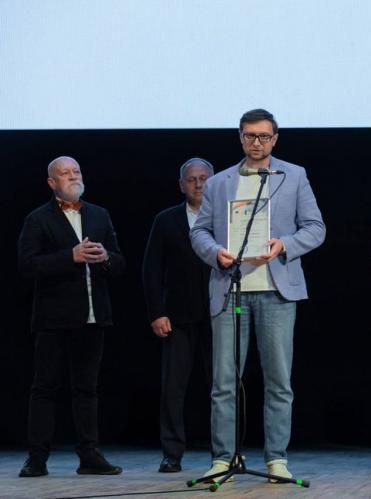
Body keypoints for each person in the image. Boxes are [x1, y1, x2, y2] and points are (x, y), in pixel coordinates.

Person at [191, 109, 325, 482]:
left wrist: (285, 244)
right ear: (240, 137)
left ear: (275, 138)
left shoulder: (294, 176)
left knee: (278, 381)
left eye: (264, 136)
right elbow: (199, 231)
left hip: (276, 291)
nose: (256, 142)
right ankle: (223, 458)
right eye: (250, 135)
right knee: (224, 382)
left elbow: (316, 228)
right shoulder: (219, 182)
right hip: (229, 289)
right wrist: (215, 253)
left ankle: (276, 458)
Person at [17, 156, 125, 477]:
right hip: (53, 319)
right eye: (65, 173)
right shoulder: (38, 219)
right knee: (45, 388)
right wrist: (71, 256)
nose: (73, 176)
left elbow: (120, 263)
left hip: (93, 316)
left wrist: (106, 258)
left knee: (87, 389)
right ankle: (37, 458)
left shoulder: (99, 214)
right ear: (52, 183)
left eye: (76, 171)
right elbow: (26, 265)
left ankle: (89, 455)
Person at [143, 158, 214, 473]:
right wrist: (156, 312)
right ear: (181, 185)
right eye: (191, 179)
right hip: (177, 316)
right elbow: (151, 269)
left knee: (222, 387)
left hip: (219, 313)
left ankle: (224, 453)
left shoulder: (227, 218)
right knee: (173, 388)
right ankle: (171, 453)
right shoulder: (166, 219)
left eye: (204, 178)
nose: (198, 184)